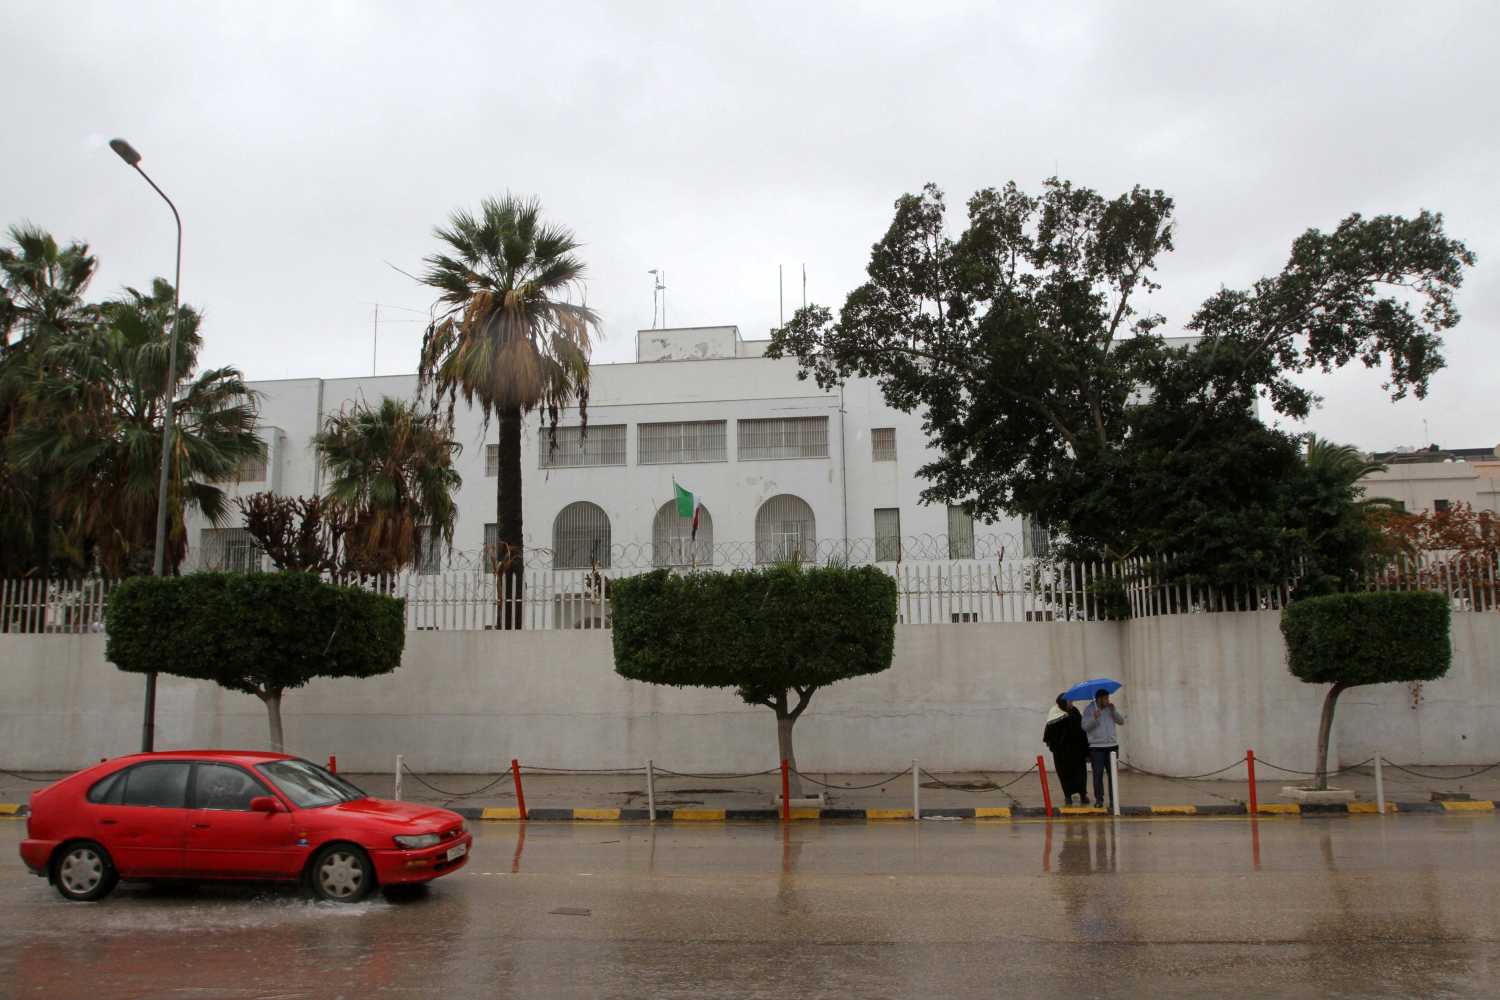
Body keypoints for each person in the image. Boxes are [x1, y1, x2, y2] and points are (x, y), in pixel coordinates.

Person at [1081, 688, 1125, 808]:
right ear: (1099, 699)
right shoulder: (1089, 709)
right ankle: (1099, 800)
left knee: (1113, 775)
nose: (1107, 700)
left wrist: (1114, 711)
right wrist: (1094, 718)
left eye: (1108, 698)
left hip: (1112, 746)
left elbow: (1121, 721)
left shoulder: (1110, 708)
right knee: (1098, 775)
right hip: (1097, 747)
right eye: (1105, 698)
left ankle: (1113, 800)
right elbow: (1085, 727)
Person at [1042, 694, 1089, 805]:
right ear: (1063, 702)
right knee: (1065, 774)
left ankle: (1083, 794)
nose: (1071, 704)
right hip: (1062, 753)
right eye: (1069, 702)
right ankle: (1067, 796)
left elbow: (1082, 730)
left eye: (1072, 702)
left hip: (1077, 751)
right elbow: (1049, 734)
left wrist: (1086, 750)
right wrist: (1055, 747)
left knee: (1080, 774)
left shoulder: (1075, 712)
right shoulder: (1055, 714)